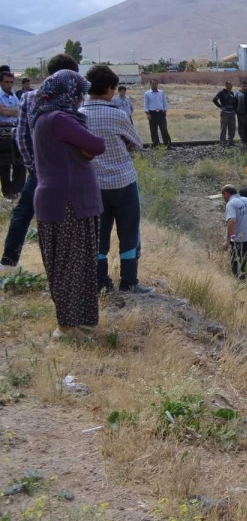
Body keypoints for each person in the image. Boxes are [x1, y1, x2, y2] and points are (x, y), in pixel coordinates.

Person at [33, 70, 106, 338]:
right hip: (70, 202)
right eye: (79, 93)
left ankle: (75, 322)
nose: (81, 98)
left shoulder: (42, 117)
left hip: (57, 200)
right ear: (68, 93)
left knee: (65, 265)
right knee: (73, 266)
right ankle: (68, 326)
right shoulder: (60, 119)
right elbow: (96, 144)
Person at [2, 53, 79, 273]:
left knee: (24, 211)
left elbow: (22, 136)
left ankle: (9, 261)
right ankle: (68, 265)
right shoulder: (74, 99)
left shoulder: (30, 98)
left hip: (41, 167)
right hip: (66, 168)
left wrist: (32, 164)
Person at [80, 65, 148, 294]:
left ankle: (101, 282)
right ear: (109, 88)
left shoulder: (77, 115)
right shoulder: (117, 114)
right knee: (128, 232)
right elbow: (137, 143)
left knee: (99, 234)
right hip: (123, 182)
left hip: (93, 185)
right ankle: (129, 282)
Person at [0, 70, 24, 199]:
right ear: (1, 82)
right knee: (5, 162)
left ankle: (17, 189)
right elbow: (3, 112)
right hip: (3, 132)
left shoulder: (13, 96)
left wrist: (10, 111)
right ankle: (8, 191)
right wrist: (11, 111)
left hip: (16, 130)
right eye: (6, 82)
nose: (9, 85)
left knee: (19, 160)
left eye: (11, 82)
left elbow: (19, 111)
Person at [142, 79, 171, 148]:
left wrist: (165, 110)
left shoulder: (161, 92)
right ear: (150, 84)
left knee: (164, 129)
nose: (154, 85)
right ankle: (156, 145)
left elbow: (164, 102)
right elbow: (146, 104)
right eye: (153, 84)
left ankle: (167, 145)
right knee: (153, 130)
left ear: (157, 84)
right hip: (152, 114)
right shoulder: (147, 93)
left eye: (155, 84)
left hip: (161, 114)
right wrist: (148, 114)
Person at [212, 81, 237, 147]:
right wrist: (221, 107)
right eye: (229, 84)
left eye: (231, 85)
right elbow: (214, 100)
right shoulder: (221, 93)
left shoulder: (232, 93)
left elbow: (233, 102)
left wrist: (234, 109)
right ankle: (223, 141)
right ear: (226, 85)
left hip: (232, 112)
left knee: (232, 127)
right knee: (224, 127)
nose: (231, 86)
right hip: (225, 113)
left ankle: (230, 141)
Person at [234, 80, 247, 145]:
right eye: (243, 86)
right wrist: (236, 111)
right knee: (241, 127)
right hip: (240, 114)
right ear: (241, 86)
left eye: (246, 86)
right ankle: (243, 139)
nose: (245, 87)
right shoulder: (237, 93)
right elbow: (235, 103)